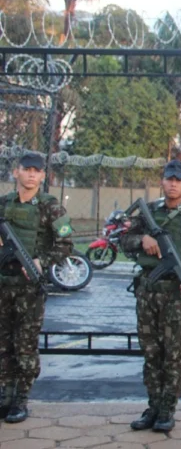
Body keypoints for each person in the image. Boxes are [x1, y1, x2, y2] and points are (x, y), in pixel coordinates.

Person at [122, 159, 181, 432]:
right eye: (169, 178)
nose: (173, 183)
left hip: (176, 293)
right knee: (151, 352)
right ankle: (153, 406)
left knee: (173, 354)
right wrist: (143, 240)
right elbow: (124, 242)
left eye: (179, 179)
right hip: (148, 291)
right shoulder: (148, 212)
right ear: (162, 181)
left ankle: (167, 410)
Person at [0, 152, 73, 423]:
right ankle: (5, 395)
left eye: (37, 171)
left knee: (25, 345)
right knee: (3, 344)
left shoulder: (50, 206)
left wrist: (41, 262)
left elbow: (65, 244)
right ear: (16, 172)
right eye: (26, 169)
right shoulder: (4, 204)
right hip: (3, 284)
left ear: (43, 176)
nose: (31, 174)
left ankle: (21, 399)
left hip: (29, 288)